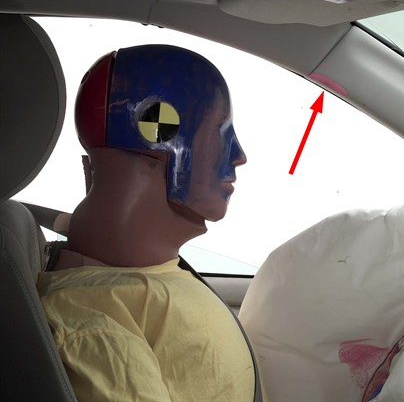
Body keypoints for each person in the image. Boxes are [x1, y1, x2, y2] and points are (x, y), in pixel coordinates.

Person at [36, 45, 262, 401]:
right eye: (220, 131)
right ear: (158, 131)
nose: (239, 156)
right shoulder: (94, 321)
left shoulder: (142, 277)